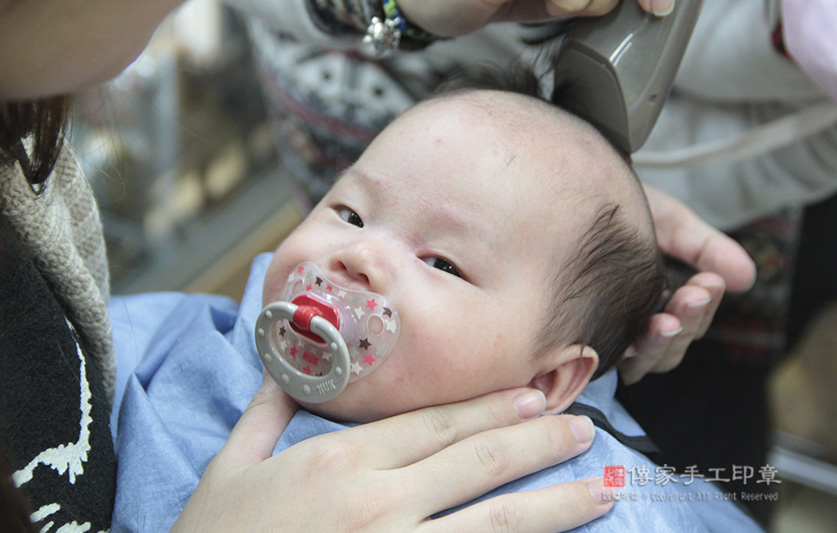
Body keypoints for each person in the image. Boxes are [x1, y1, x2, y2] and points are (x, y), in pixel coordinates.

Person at [0, 1, 754, 531]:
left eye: (443, 262)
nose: (357, 254)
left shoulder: (574, 490)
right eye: (349, 213)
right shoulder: (185, 335)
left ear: (550, 381)